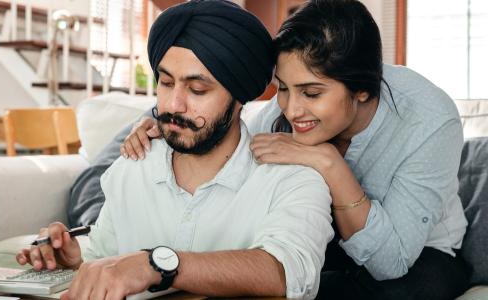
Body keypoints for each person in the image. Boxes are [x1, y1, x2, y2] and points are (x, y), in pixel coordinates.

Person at [119, 0, 470, 299]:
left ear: (363, 89)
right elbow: (226, 133)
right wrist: (162, 123)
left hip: (416, 256)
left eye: (312, 93)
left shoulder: (429, 120)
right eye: (283, 88)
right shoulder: (281, 112)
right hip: (318, 239)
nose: (291, 109)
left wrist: (329, 163)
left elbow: (389, 262)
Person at [18, 1, 334, 299]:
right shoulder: (133, 166)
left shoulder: (294, 180)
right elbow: (104, 253)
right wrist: (74, 257)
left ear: (240, 97)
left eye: (197, 89)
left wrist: (156, 265)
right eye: (166, 83)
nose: (173, 104)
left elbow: (288, 272)